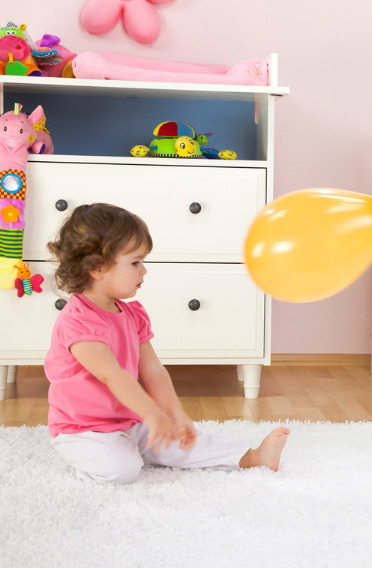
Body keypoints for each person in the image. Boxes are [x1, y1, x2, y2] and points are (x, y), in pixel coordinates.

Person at [44, 203, 290, 484]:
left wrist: (172, 412)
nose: (144, 270)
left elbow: (152, 370)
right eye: (135, 262)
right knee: (122, 469)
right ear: (98, 267)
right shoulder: (78, 321)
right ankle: (91, 464)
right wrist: (151, 412)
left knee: (183, 439)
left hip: (131, 419)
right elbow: (112, 375)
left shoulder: (131, 314)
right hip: (84, 429)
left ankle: (251, 457)